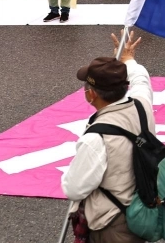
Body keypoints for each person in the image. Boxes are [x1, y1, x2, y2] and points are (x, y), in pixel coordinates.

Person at [62, 31, 151, 243]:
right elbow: (141, 79)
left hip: (111, 224)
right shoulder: (141, 105)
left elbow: (74, 189)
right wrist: (128, 59)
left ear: (91, 94)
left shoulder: (95, 138)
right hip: (141, 210)